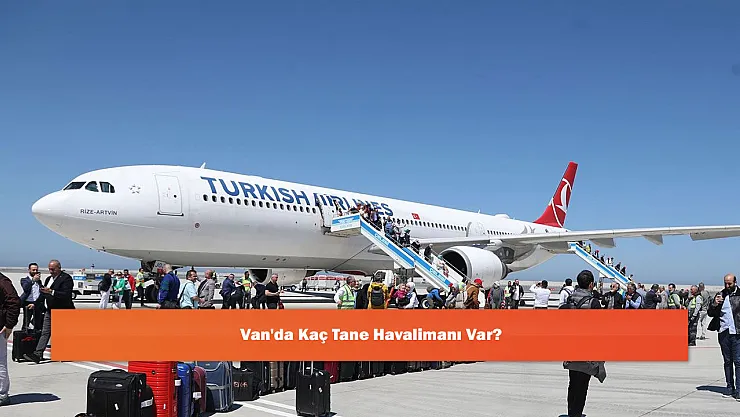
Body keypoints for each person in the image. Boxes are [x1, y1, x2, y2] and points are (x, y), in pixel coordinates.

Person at [562, 270, 606, 417]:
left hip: (571, 348)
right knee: (582, 386)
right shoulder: (593, 303)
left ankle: (571, 413)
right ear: (591, 284)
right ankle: (576, 414)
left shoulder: (570, 300)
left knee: (573, 383)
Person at [24, 259, 75, 364]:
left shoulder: (66, 278)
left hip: (63, 310)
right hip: (50, 310)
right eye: (49, 269)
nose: (51, 271)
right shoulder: (48, 279)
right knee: (45, 332)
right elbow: (43, 294)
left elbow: (66, 294)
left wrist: (52, 291)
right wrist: (35, 304)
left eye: (53, 269)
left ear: (59, 268)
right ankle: (38, 354)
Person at [708, 273, 740, 400]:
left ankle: (739, 389)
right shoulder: (720, 295)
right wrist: (715, 304)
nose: (727, 286)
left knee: (738, 361)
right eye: (725, 283)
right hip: (724, 332)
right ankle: (729, 387)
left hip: (737, 332)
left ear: (735, 282)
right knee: (727, 361)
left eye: (729, 283)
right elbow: (710, 313)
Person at [0, 272, 22, 406]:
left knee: (0, 362)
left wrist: (9, 324)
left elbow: (14, 302)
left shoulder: (3, 281)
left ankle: (2, 394)